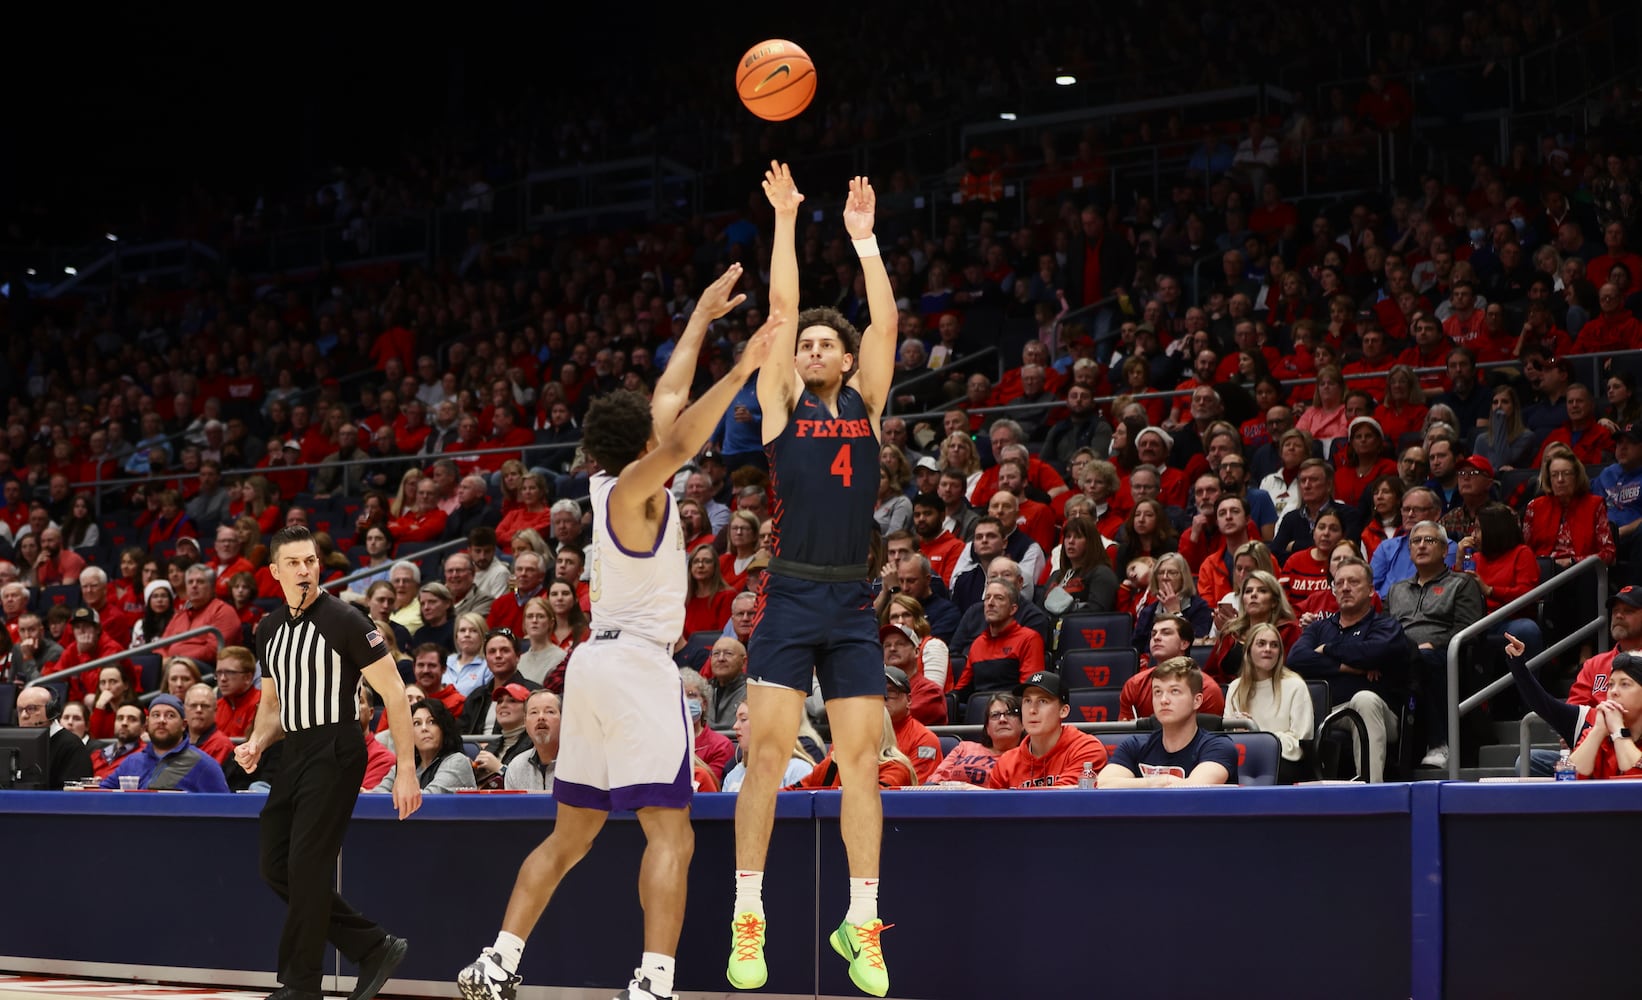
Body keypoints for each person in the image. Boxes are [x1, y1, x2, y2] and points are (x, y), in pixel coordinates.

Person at [458, 268, 781, 1000]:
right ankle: (654, 984)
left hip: (595, 666)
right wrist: (742, 369)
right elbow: (683, 429)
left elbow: (668, 399)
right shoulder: (639, 485)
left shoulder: (610, 482)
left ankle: (498, 961)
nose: (667, 424)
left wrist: (698, 318)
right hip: (635, 667)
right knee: (673, 835)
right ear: (642, 442)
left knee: (572, 836)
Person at [729, 163, 899, 998]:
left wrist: (866, 243)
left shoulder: (866, 403)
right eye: (806, 346)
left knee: (863, 764)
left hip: (852, 601)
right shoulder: (780, 405)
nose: (813, 347)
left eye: (827, 343)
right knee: (765, 757)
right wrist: (790, 219)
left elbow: (888, 326)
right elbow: (785, 309)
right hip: (791, 594)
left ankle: (861, 923)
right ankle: (747, 913)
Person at [233, 525, 422, 1000]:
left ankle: (301, 986)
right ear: (275, 571)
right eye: (294, 563)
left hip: (336, 747)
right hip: (293, 751)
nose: (304, 570)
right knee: (275, 864)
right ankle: (372, 945)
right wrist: (257, 741)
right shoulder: (269, 629)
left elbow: (395, 694)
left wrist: (406, 768)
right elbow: (275, 706)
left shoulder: (347, 620)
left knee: (308, 866)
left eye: (311, 561)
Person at [1289, 557, 1412, 782]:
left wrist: (1327, 648)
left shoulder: (1385, 626)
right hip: (1326, 711)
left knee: (1364, 699)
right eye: (1339, 583)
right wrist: (1346, 667)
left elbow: (1376, 651)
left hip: (1381, 714)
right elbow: (1296, 659)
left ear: (1371, 590)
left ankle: (1371, 791)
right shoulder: (1319, 627)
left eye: (1353, 582)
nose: (1345, 587)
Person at [1098, 657, 1239, 787]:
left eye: (1175, 691)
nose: (1164, 700)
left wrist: (1138, 785)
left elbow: (1193, 790)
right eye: (1158, 692)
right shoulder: (1134, 745)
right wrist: (1162, 781)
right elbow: (1103, 784)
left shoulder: (1218, 747)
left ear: (1197, 701)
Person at [1223, 622, 1314, 784]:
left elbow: (1301, 740)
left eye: (1274, 645)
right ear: (1249, 650)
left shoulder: (1295, 685)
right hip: (1244, 756)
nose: (1268, 649)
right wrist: (1240, 732)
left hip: (1284, 759)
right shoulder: (1236, 687)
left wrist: (1257, 735)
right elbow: (1227, 735)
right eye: (1261, 644)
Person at [984, 671, 1108, 787]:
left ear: (1063, 711)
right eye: (1027, 701)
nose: (1032, 710)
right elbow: (994, 808)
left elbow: (1063, 800)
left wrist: (1010, 795)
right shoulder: (1006, 763)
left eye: (1042, 701)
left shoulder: (1087, 749)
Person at [98, 693, 230, 792]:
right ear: (147, 724)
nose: (161, 720)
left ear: (184, 725)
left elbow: (225, 810)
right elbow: (101, 794)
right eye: (156, 715)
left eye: (170, 715)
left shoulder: (204, 765)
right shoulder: (132, 762)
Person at [371, 698, 477, 794]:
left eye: (431, 722)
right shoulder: (403, 767)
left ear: (444, 728)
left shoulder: (458, 762)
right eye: (417, 723)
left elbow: (428, 800)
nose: (424, 728)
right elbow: (377, 796)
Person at [929, 692, 1023, 786]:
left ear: (1023, 724)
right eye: (995, 715)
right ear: (987, 728)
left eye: (1010, 714)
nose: (1002, 719)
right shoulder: (964, 748)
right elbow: (935, 781)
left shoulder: (1026, 759)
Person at [14, 686, 93, 790]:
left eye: (31, 708)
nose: (24, 715)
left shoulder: (72, 746)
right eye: (20, 710)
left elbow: (74, 796)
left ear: (50, 710)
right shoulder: (14, 743)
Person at [504, 689, 562, 792]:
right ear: (525, 722)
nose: (541, 717)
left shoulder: (580, 764)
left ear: (563, 720)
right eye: (534, 712)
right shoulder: (516, 767)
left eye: (549, 711)